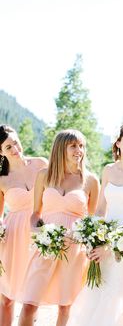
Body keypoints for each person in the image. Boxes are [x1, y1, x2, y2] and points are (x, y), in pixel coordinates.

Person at [67, 122, 123, 326]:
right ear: (118, 143)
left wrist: (113, 247)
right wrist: (93, 240)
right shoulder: (108, 170)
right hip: (103, 243)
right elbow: (100, 210)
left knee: (117, 301)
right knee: (95, 297)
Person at [18, 129, 99, 326]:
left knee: (65, 307)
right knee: (29, 304)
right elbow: (35, 214)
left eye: (81, 146)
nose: (78, 150)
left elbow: (92, 220)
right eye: (73, 146)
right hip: (46, 248)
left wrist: (88, 241)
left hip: (74, 250)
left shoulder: (90, 180)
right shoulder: (44, 176)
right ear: (60, 149)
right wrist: (38, 233)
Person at [0, 124, 48, 326]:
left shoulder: (41, 164)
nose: (15, 149)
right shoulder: (1, 179)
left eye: (15, 143)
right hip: (13, 237)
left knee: (32, 295)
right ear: (1, 152)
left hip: (40, 233)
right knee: (7, 297)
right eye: (8, 147)